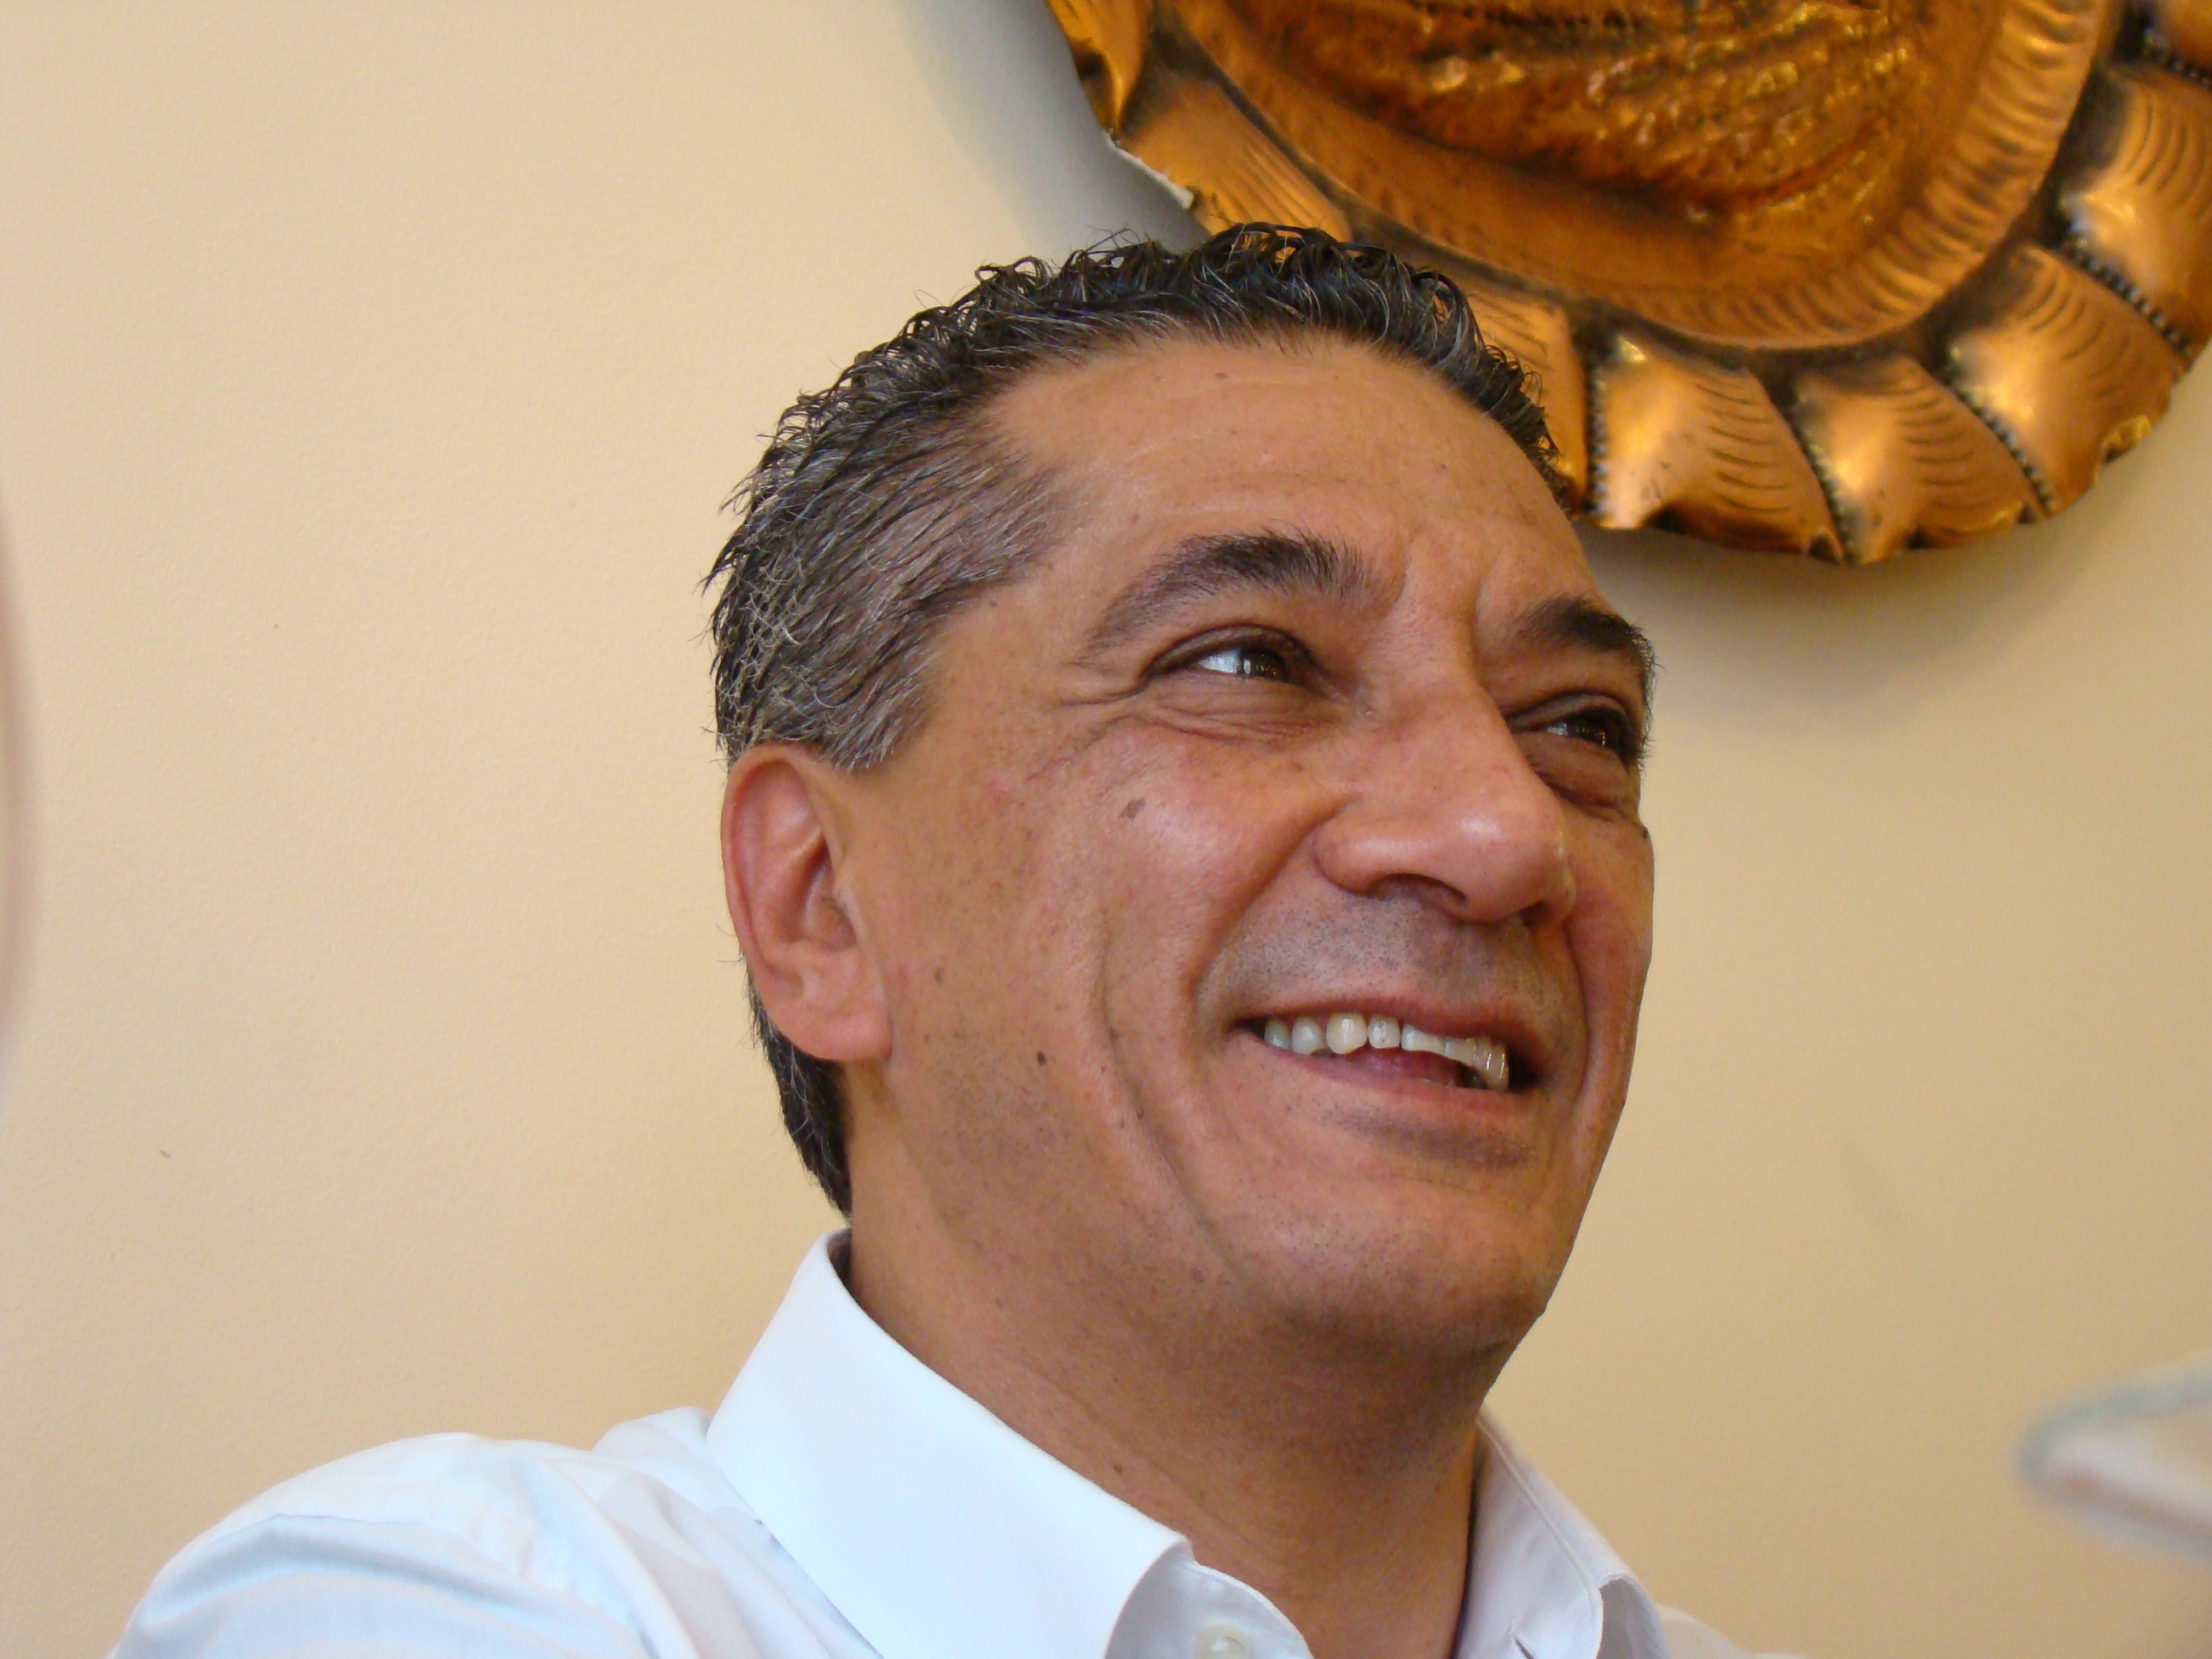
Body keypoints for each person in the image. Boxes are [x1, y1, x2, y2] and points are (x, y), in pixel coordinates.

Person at [114, 227, 1782, 1659]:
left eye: (1578, 726)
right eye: (1247, 664)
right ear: (820, 906)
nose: (1507, 832)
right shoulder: (431, 1612)